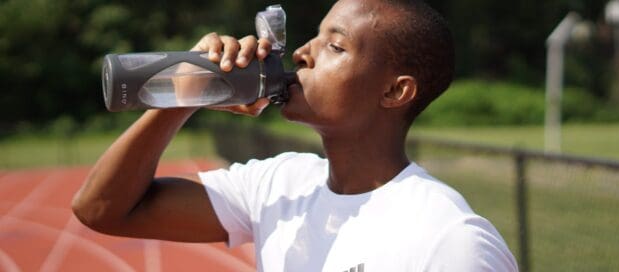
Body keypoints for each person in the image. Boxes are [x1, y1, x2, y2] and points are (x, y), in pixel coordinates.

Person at [72, 0, 518, 271]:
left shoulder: (449, 239)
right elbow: (101, 209)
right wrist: (189, 89)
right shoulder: (280, 185)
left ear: (394, 90)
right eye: (314, 38)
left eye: (335, 46)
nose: (303, 53)